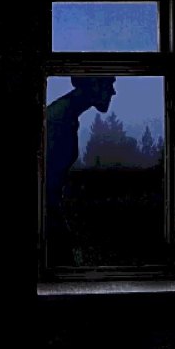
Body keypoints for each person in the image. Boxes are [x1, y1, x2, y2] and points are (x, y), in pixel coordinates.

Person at [44, 76, 116, 266]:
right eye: (108, 84)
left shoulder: (65, 116)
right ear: (93, 84)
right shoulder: (58, 120)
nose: (113, 92)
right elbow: (48, 183)